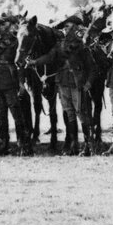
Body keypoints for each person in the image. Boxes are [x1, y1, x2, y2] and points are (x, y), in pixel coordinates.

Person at [26, 21, 98, 156]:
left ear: (75, 28)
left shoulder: (81, 46)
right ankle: (74, 145)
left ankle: (89, 146)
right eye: (64, 27)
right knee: (70, 114)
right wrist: (35, 62)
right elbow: (49, 57)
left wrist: (88, 83)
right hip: (63, 83)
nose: (65, 29)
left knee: (81, 114)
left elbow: (92, 67)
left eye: (68, 27)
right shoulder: (59, 46)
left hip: (78, 85)